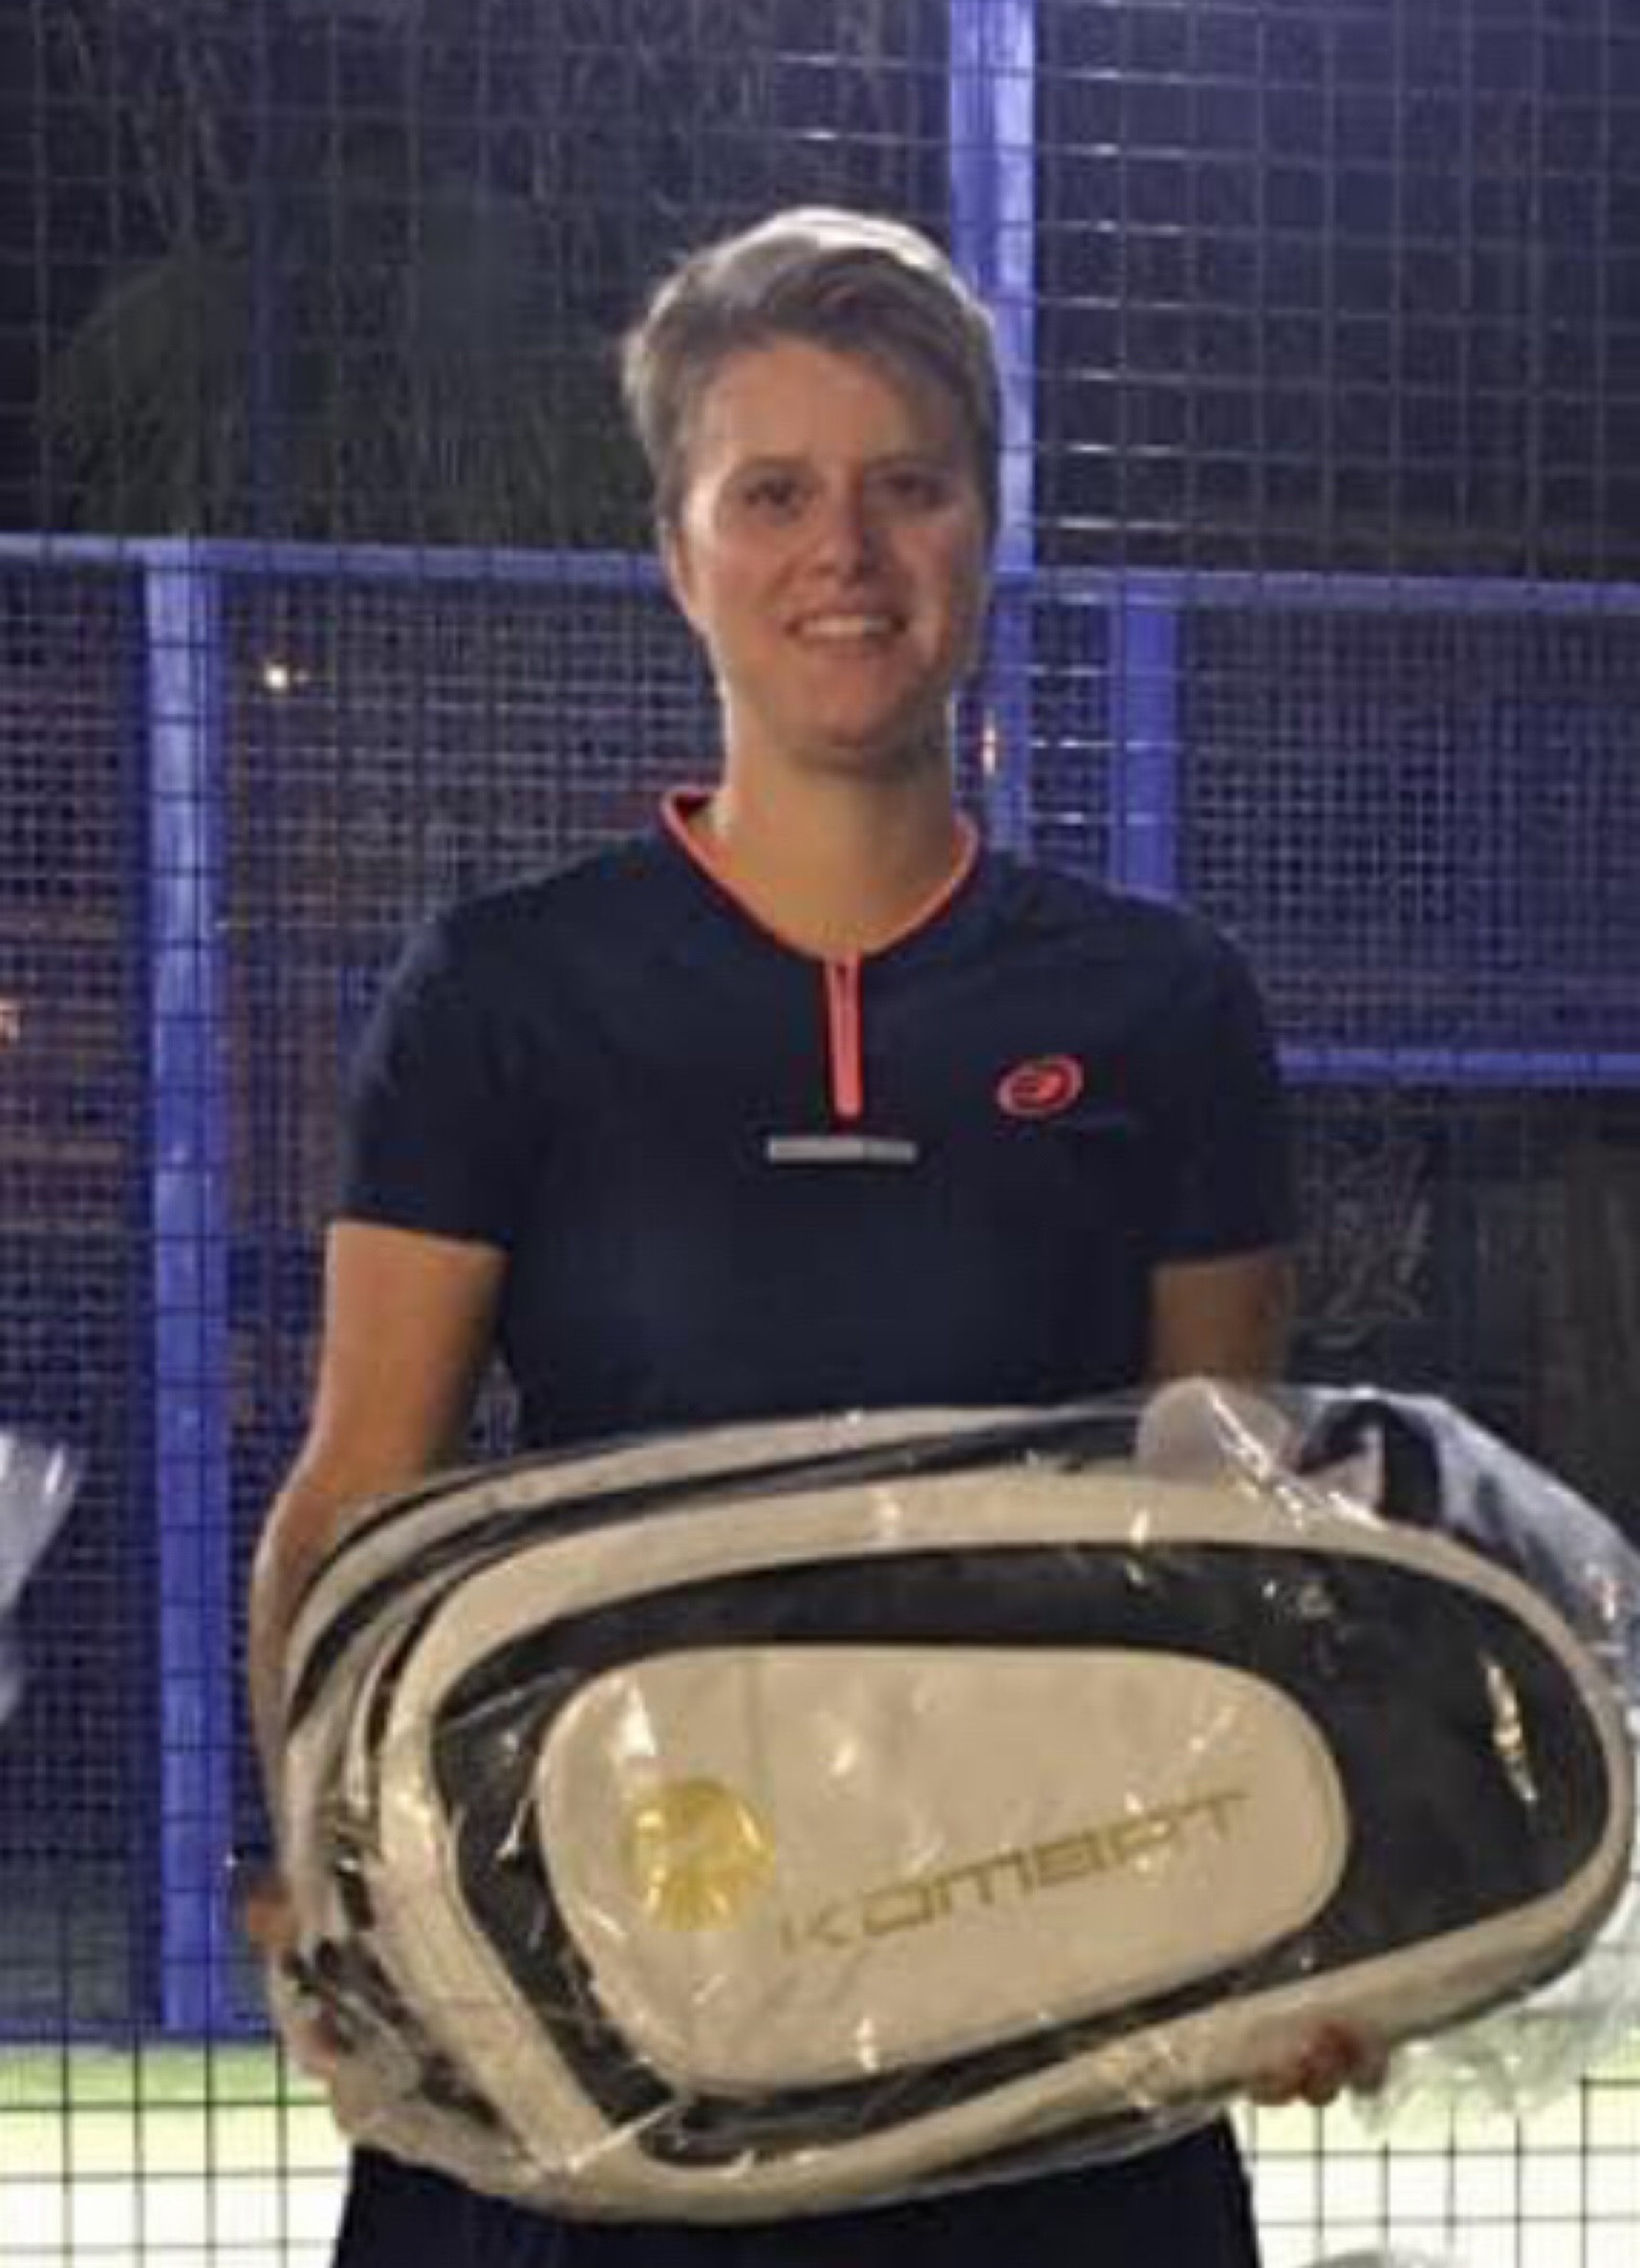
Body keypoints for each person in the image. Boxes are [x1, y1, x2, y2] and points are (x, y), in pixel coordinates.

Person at [248, 205, 1371, 2268]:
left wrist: (1306, 1889)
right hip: (608, 1999)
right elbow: (360, 1488)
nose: (843, 550)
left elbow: (1225, 1513)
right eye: (771, 493)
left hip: (1040, 2016)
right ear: (679, 555)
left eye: (906, 486)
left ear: (985, 532)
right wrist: (334, 1886)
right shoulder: (505, 989)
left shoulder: (1161, 1002)